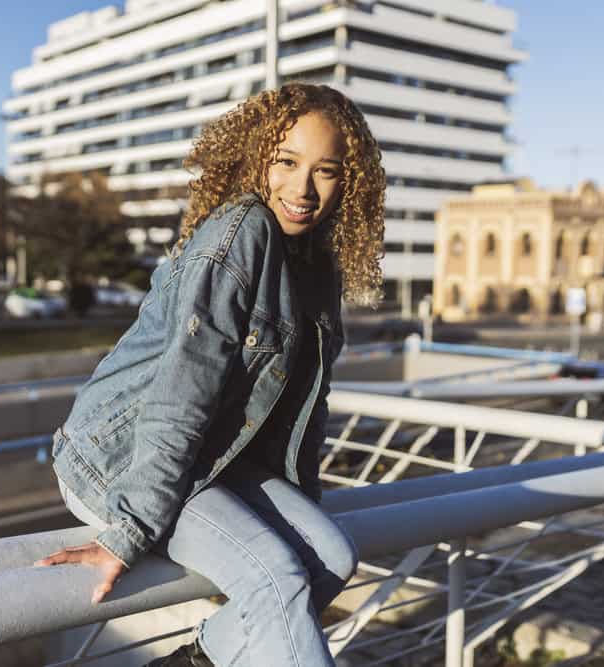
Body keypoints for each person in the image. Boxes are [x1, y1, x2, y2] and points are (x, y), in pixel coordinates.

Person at [35, 82, 386, 667]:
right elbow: (181, 393)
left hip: (214, 458)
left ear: (349, 181)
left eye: (325, 171)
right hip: (121, 457)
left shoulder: (316, 265)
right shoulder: (240, 233)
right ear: (257, 158)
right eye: (287, 162)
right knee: (276, 576)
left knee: (331, 557)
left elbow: (305, 408)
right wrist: (129, 533)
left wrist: (293, 511)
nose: (302, 188)